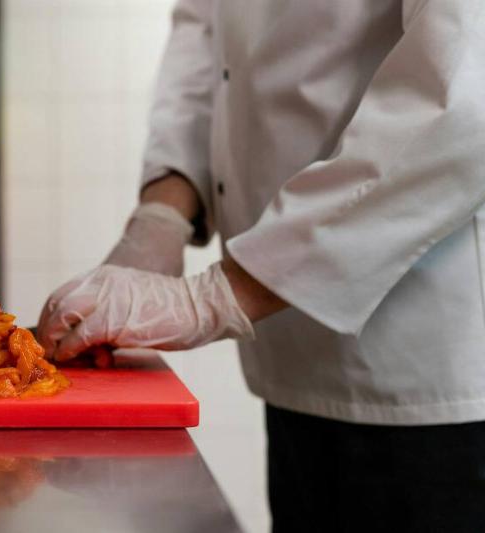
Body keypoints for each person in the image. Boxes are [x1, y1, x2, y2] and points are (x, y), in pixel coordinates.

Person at [36, 1, 485, 531]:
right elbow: (207, 48)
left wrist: (215, 298)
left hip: (432, 375)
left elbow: (463, 96)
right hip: (290, 361)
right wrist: (163, 212)